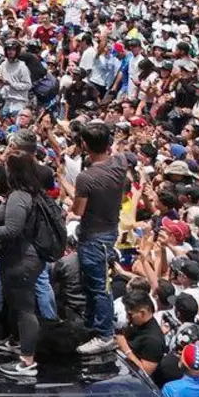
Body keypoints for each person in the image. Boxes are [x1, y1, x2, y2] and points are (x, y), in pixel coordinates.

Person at [0, 131, 49, 376]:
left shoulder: (19, 196)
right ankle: (19, 344)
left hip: (24, 258)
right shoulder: (29, 191)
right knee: (20, 305)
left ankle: (27, 361)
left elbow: (12, 229)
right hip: (23, 256)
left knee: (25, 309)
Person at [72, 122, 133, 355]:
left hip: (94, 237)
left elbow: (78, 211)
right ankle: (93, 323)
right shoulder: (120, 162)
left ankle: (105, 335)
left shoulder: (86, 178)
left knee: (98, 287)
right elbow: (118, 150)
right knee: (94, 284)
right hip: (109, 231)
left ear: (85, 145)